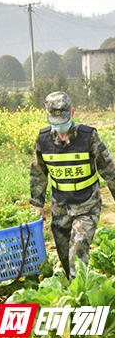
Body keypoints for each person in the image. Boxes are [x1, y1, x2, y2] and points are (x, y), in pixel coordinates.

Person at [30, 91, 115, 280]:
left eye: (64, 121)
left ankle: (78, 299)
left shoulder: (88, 136)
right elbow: (38, 173)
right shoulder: (43, 139)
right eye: (56, 122)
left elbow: (109, 170)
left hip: (87, 205)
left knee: (76, 253)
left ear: (73, 112)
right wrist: (38, 204)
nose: (61, 128)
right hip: (60, 207)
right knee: (63, 252)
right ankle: (72, 285)